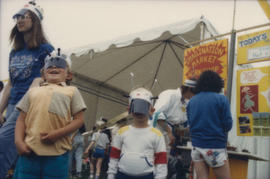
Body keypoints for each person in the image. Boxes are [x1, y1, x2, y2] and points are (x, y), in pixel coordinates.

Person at [13, 49, 87, 179]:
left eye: (60, 65)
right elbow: (20, 119)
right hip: (30, 152)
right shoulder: (32, 92)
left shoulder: (72, 91)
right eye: (49, 66)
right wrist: (19, 141)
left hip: (58, 154)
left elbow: (79, 120)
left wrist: (57, 134)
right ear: (43, 75)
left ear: (69, 75)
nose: (54, 67)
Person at [0, 1, 54, 177]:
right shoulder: (14, 52)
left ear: (35, 21)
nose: (19, 20)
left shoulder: (46, 49)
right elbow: (10, 84)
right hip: (13, 102)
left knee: (4, 142)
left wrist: (39, 82)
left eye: (25, 16)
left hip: (30, 105)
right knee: (13, 153)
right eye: (17, 17)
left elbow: (48, 78)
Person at [107, 87, 167, 179]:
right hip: (122, 175)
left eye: (143, 107)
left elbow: (161, 162)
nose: (139, 111)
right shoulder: (122, 132)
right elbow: (114, 157)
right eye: (136, 107)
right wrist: (111, 175)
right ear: (129, 109)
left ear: (151, 110)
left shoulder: (157, 135)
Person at [187, 70, 232, 179]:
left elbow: (190, 124)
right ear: (217, 84)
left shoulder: (192, 101)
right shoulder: (221, 99)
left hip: (196, 147)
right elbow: (228, 125)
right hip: (215, 147)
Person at [151, 79, 196, 154]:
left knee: (164, 160)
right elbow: (158, 114)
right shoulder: (169, 94)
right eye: (194, 94)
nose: (193, 97)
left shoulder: (186, 102)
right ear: (189, 89)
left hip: (168, 136)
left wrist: (182, 130)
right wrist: (169, 132)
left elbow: (181, 120)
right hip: (158, 132)